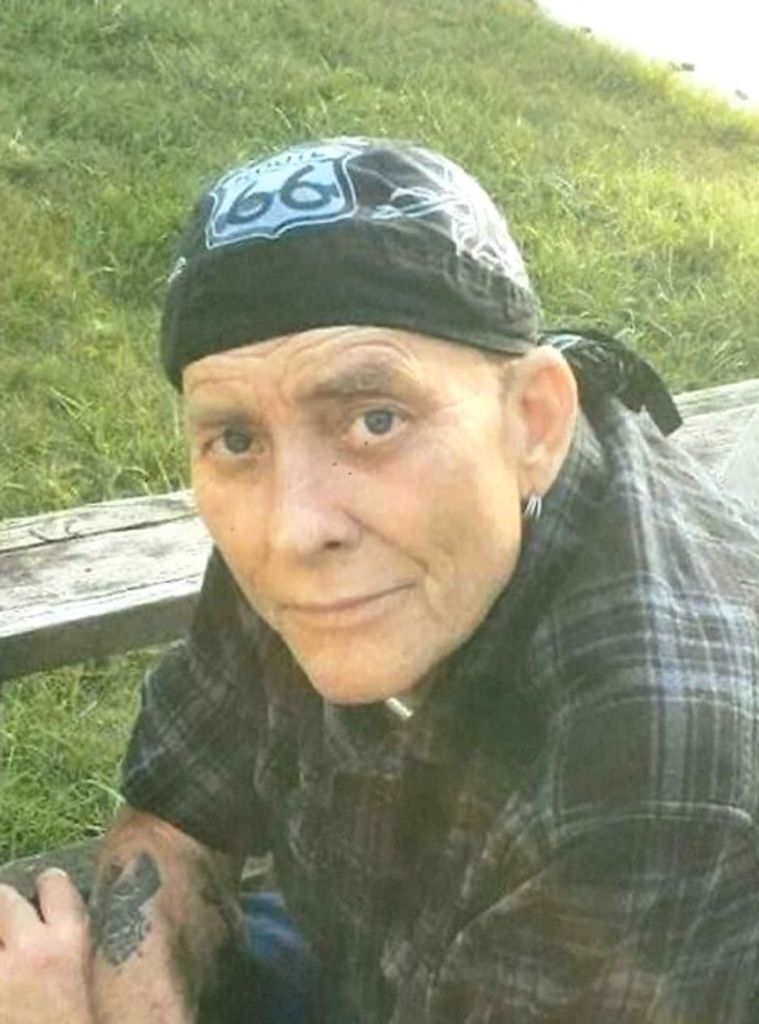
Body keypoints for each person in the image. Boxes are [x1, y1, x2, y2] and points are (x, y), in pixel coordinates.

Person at [1, 136, 759, 1024]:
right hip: (369, 949)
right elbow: (176, 815)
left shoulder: (657, 775)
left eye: (374, 420)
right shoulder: (315, 515)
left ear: (532, 422)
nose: (293, 528)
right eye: (236, 439)